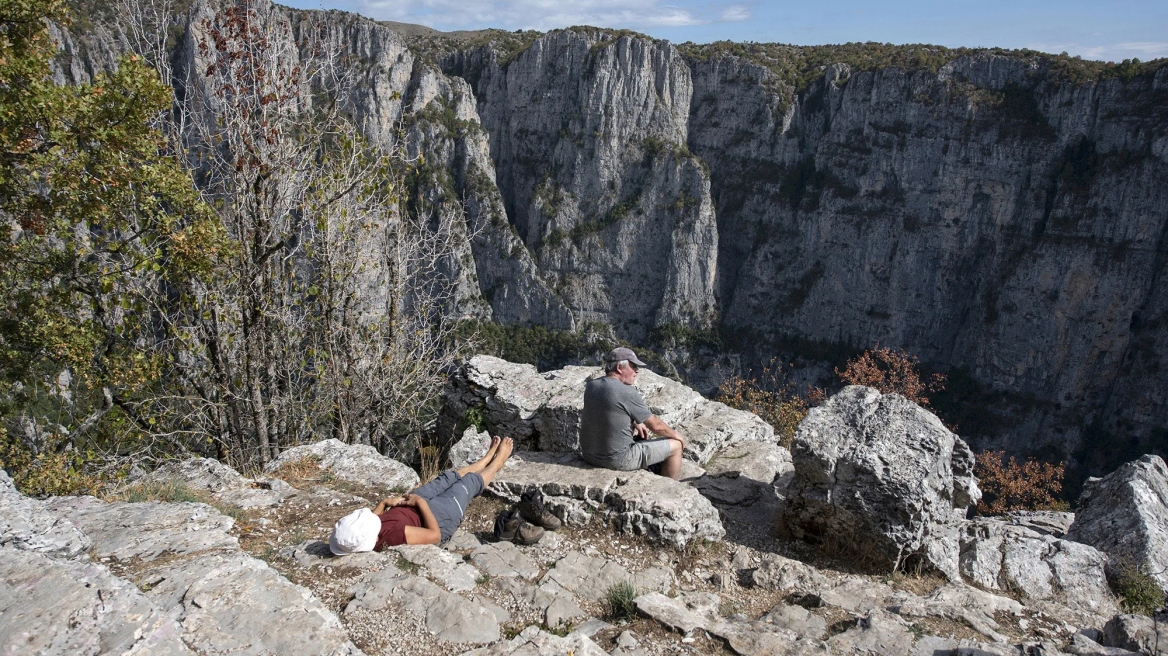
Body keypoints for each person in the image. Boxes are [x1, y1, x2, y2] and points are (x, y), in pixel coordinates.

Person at [329, 436, 514, 555]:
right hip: (435, 517)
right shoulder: (392, 536)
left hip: (412, 504)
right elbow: (434, 536)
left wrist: (385, 502)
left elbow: (375, 517)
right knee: (467, 484)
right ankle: (497, 463)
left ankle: (484, 460)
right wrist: (420, 503)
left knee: (446, 477)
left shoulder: (370, 528)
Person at [578, 347, 686, 480]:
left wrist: (635, 422)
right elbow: (656, 426)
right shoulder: (627, 392)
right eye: (633, 366)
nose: (637, 371)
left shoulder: (592, 386)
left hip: (589, 455)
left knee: (638, 432)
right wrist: (677, 436)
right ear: (619, 368)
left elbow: (607, 411)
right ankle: (668, 489)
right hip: (617, 460)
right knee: (676, 447)